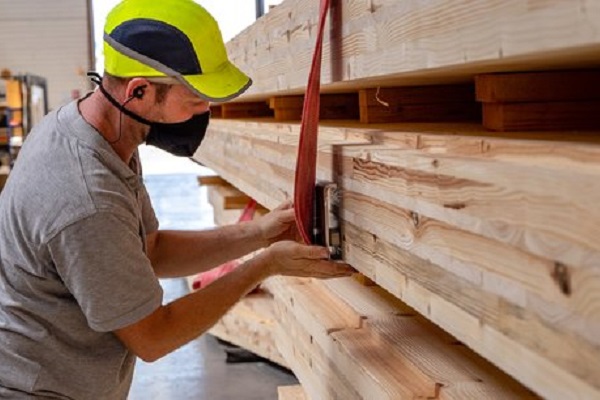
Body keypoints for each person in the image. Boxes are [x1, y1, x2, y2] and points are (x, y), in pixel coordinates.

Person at [0, 0, 354, 398]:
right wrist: (263, 267)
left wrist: (260, 234)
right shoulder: (85, 195)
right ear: (139, 91)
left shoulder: (102, 133)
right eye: (196, 100)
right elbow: (153, 336)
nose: (206, 112)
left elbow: (150, 251)